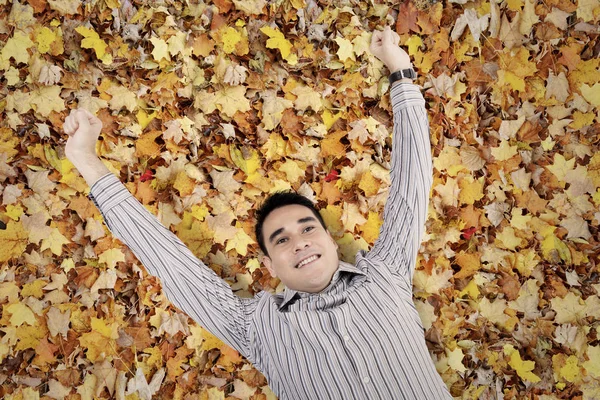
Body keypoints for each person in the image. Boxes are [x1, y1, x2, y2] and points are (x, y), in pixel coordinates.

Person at [64, 26, 451, 400]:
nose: (299, 243)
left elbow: (411, 185)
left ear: (329, 240)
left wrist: (401, 72)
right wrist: (85, 160)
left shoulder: (386, 274)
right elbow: (175, 268)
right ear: (268, 265)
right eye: (281, 240)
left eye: (306, 229)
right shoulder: (256, 327)